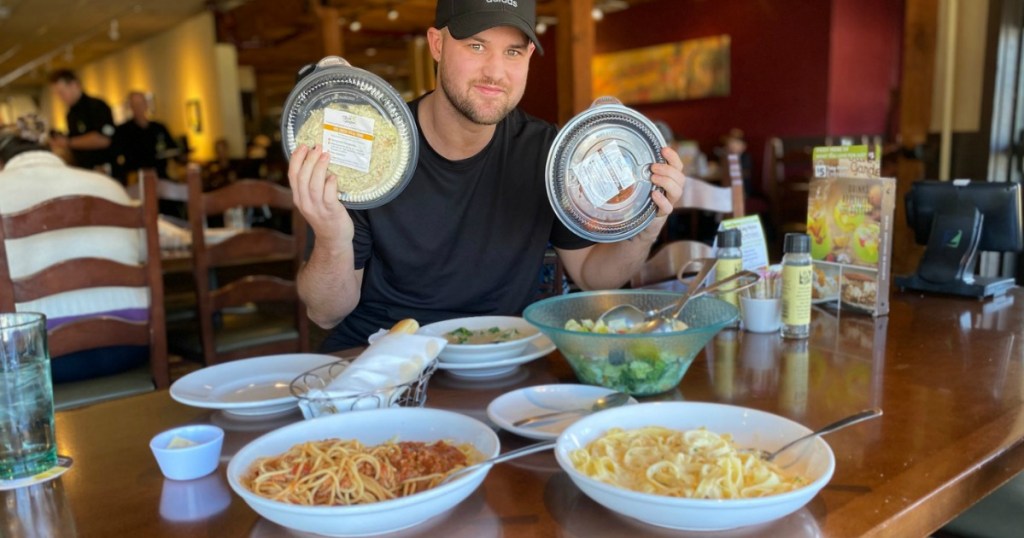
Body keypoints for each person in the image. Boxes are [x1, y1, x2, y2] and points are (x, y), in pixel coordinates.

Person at [288, 0, 687, 351]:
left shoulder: (547, 152)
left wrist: (645, 229)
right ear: (437, 44)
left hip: (502, 356)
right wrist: (331, 237)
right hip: (380, 359)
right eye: (476, 46)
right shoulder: (374, 155)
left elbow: (591, 275)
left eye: (513, 51)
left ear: (529, 55)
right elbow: (325, 314)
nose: (495, 71)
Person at [0, 116, 148, 382]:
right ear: (53, 150)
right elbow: (143, 253)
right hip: (131, 342)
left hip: (34, 359)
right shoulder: (109, 186)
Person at [48, 69, 117, 176]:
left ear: (74, 85)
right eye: (57, 94)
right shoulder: (70, 114)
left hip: (103, 171)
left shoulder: (97, 106)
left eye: (61, 92)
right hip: (85, 172)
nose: (60, 98)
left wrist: (68, 142)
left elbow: (103, 140)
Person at [114, 90, 180, 181]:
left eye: (140, 104)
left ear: (146, 104)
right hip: (135, 178)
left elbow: (172, 148)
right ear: (130, 107)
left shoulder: (159, 128)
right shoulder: (122, 131)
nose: (138, 108)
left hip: (160, 176)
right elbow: (117, 155)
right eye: (135, 105)